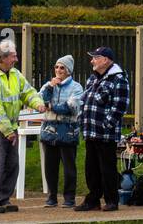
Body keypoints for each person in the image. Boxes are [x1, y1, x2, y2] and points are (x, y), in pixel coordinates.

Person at [0, 39, 45, 213]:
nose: (16, 59)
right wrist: (8, 130)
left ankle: (3, 198)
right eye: (13, 56)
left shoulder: (15, 74)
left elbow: (28, 92)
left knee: (12, 164)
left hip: (11, 127)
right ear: (2, 58)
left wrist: (38, 103)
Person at [76, 46, 131, 212]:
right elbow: (84, 101)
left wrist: (107, 125)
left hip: (106, 134)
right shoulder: (92, 79)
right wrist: (81, 120)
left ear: (105, 60)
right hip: (90, 131)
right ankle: (93, 199)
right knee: (91, 168)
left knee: (107, 168)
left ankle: (111, 200)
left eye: (95, 57)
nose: (92, 60)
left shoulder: (119, 79)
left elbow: (120, 106)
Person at [38, 55, 84, 207]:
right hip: (49, 130)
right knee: (50, 167)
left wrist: (50, 106)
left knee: (69, 167)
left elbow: (71, 107)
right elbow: (39, 101)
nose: (58, 70)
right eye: (57, 67)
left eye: (62, 67)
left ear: (69, 70)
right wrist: (50, 86)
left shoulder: (76, 87)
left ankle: (69, 198)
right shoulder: (48, 85)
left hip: (68, 131)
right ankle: (51, 197)